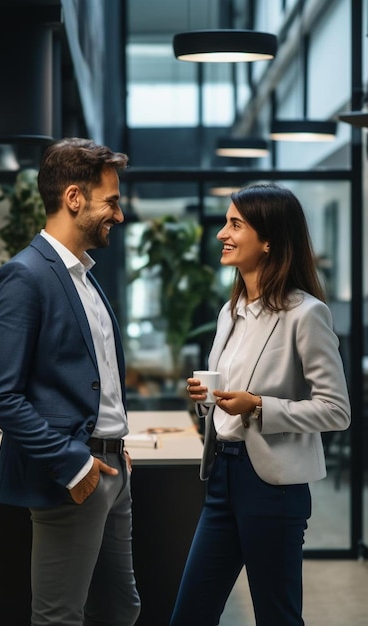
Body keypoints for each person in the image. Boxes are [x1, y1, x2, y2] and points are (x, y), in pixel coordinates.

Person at [170, 182, 351, 626]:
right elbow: (224, 404)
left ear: (268, 240)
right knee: (190, 615)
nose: (221, 234)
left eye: (235, 224)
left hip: (273, 485)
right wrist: (205, 402)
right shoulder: (229, 313)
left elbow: (336, 409)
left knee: (277, 617)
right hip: (222, 477)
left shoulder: (306, 314)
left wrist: (258, 407)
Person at [0, 137, 141, 626]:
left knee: (120, 607)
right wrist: (75, 464)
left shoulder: (86, 277)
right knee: (59, 617)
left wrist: (113, 437)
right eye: (110, 201)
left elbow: (93, 378)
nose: (118, 214)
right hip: (72, 474)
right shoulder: (24, 276)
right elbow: (2, 395)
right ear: (74, 198)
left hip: (113, 466)